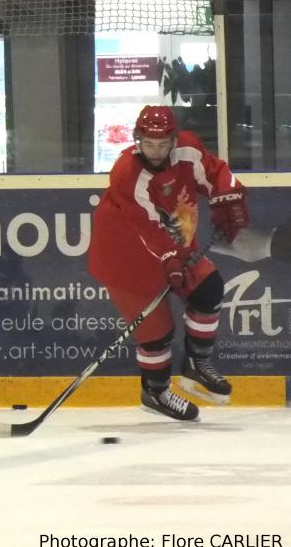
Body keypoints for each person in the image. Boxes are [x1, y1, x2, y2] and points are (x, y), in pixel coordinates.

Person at [87, 105, 249, 421]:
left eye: (163, 144)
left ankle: (196, 364)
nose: (156, 152)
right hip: (125, 256)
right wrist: (170, 257)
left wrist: (228, 193)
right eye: (149, 144)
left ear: (174, 140)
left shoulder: (187, 149)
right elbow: (144, 226)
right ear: (137, 140)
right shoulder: (126, 173)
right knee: (156, 332)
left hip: (173, 246)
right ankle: (156, 392)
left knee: (209, 289)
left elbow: (215, 172)